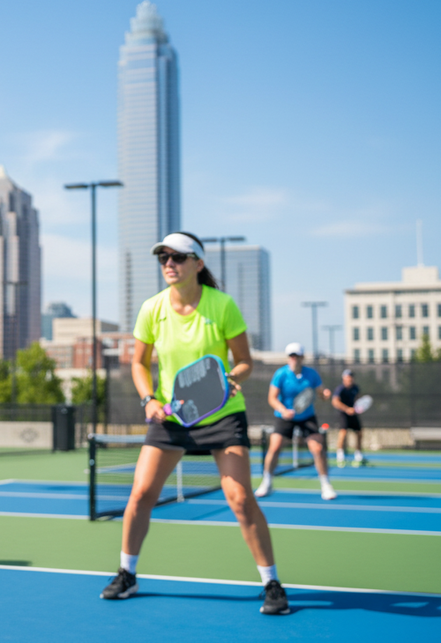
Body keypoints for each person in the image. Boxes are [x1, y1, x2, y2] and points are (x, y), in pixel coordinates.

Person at [101, 232, 290, 615]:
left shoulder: (222, 305)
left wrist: (232, 376)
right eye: (163, 258)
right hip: (172, 417)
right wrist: (149, 399)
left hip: (221, 413)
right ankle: (127, 574)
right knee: (140, 494)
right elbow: (139, 363)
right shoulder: (152, 308)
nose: (169, 263)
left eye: (178, 257)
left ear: (198, 264)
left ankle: (272, 583)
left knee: (240, 498)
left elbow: (245, 361)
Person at [255, 343, 337, 501]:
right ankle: (267, 481)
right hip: (284, 416)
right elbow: (272, 398)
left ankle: (325, 484)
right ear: (288, 358)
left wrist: (325, 394)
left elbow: (321, 394)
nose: (294, 359)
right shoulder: (281, 374)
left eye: (297, 356)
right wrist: (283, 410)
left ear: (302, 358)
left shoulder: (311, 374)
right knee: (274, 447)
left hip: (307, 416)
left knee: (318, 449)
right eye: (291, 356)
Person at [326, 369, 365, 467]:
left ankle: (358, 455)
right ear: (344, 378)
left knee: (359, 433)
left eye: (351, 376)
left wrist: (358, 408)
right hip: (343, 414)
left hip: (354, 414)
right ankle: (340, 455)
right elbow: (335, 402)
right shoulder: (340, 389)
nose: (349, 378)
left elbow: (358, 399)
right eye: (347, 376)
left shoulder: (356, 388)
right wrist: (347, 409)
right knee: (343, 433)